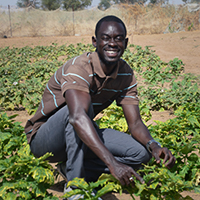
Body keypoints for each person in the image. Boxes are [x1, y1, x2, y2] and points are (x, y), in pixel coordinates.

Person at [25, 15, 175, 198]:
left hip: (79, 132)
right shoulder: (79, 68)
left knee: (140, 154)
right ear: (95, 41)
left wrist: (154, 145)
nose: (112, 43)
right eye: (106, 38)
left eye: (118, 38)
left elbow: (135, 124)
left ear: (126, 43)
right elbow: (77, 117)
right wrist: (113, 163)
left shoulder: (125, 74)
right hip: (45, 141)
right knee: (79, 111)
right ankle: (75, 186)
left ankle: (74, 168)